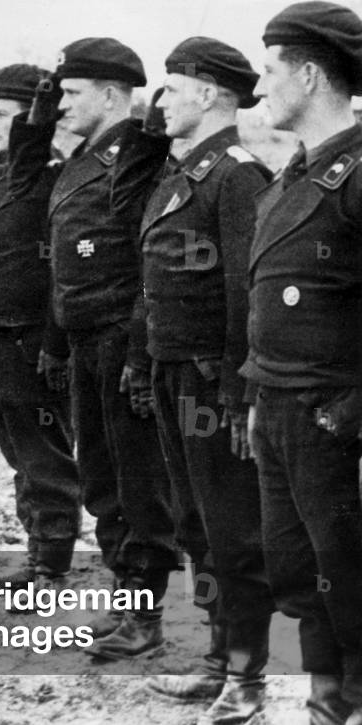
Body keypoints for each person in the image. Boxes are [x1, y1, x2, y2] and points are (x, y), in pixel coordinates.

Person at [139, 38, 275, 724]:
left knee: (231, 528)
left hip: (208, 381)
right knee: (194, 521)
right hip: (172, 372)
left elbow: (244, 291)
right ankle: (220, 656)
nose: (159, 102)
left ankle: (248, 677)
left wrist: (235, 389)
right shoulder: (181, 172)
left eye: (172, 88)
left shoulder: (237, 175)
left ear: (211, 94)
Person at [244, 3, 362, 722]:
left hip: (333, 414)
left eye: (268, 71)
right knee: (300, 572)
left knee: (347, 574)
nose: (259, 90)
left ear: (309, 74)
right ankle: (330, 697)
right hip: (279, 405)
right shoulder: (292, 176)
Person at [49, 37, 178, 659]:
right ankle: (129, 598)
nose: (58, 104)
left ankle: (146, 615)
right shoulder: (81, 159)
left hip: (121, 341)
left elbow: (147, 264)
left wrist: (137, 351)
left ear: (111, 94)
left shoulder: (139, 160)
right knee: (102, 480)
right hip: (85, 340)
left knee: (138, 485)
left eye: (71, 93)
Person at [0, 64, 81, 586]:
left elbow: (60, 272)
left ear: (33, 121)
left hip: (32, 335)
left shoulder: (42, 175)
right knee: (19, 450)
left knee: (42, 452)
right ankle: (39, 548)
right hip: (2, 331)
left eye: (5, 116)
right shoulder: (3, 181)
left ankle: (50, 564)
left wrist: (54, 341)